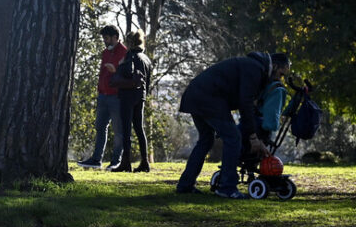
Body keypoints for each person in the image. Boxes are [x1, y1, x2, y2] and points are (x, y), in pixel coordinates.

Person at [175, 52, 289, 198]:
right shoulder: (255, 69)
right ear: (275, 66)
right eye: (280, 74)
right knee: (234, 138)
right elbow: (245, 103)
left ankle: (185, 185)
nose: (280, 79)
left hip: (196, 95)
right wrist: (253, 137)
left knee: (206, 140)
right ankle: (227, 188)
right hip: (209, 99)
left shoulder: (252, 65)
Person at [76, 25, 129, 170]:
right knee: (100, 128)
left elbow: (127, 74)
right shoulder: (105, 52)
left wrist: (116, 70)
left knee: (118, 131)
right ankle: (96, 159)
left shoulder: (125, 53)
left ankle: (116, 162)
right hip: (103, 96)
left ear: (115, 37)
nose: (105, 41)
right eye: (104, 38)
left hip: (117, 97)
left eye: (106, 38)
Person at [110, 31, 153, 173]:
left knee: (126, 129)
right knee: (139, 129)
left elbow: (126, 73)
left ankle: (126, 162)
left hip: (127, 96)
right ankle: (145, 162)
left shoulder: (130, 56)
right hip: (140, 96)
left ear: (129, 42)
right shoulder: (146, 58)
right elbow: (147, 81)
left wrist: (119, 67)